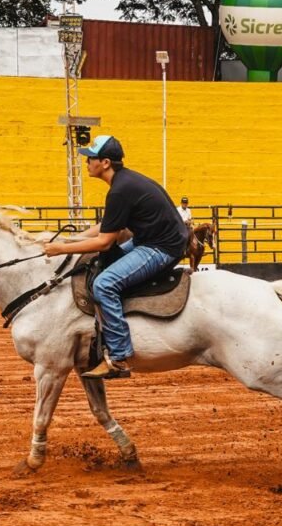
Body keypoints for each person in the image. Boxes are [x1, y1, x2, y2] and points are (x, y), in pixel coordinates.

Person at [44, 135, 188, 378]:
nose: (87, 162)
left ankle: (119, 356)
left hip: (161, 248)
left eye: (91, 158)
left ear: (106, 162)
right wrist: (72, 239)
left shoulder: (121, 190)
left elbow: (105, 241)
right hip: (152, 240)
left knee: (104, 284)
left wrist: (60, 249)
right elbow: (107, 227)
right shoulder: (125, 183)